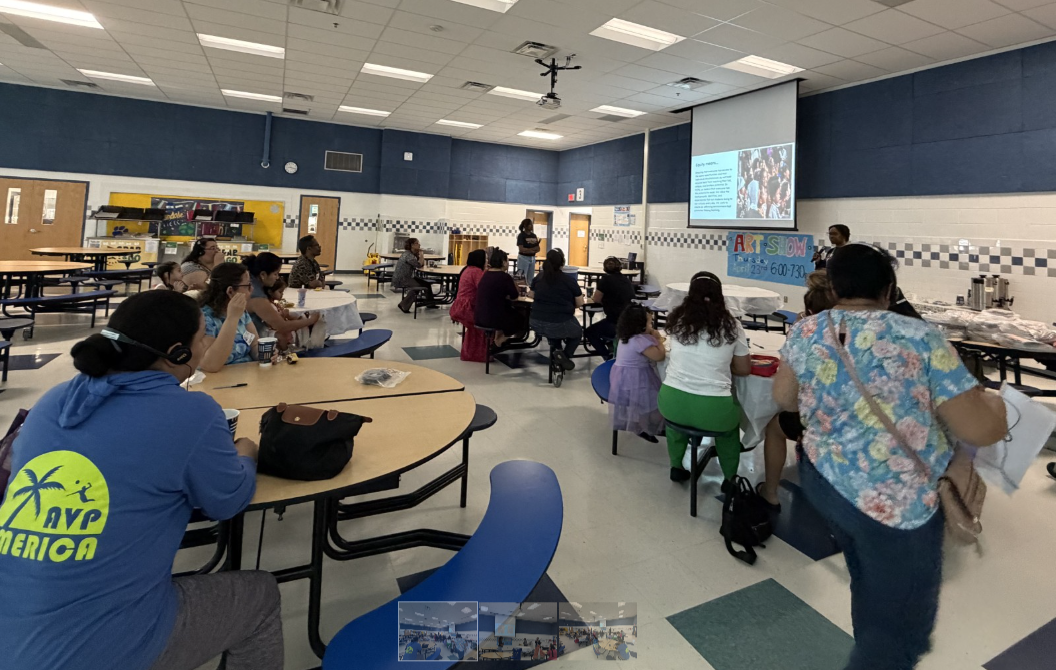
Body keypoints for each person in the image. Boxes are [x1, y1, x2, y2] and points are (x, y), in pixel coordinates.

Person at [0, 290, 281, 670]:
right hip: (100, 647)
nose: (205, 345)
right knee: (260, 595)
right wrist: (246, 452)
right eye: (201, 338)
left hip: (11, 634)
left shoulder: (52, 401)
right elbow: (227, 500)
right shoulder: (190, 413)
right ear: (179, 354)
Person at [773, 243, 1007, 670]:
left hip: (826, 482)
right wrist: (996, 407)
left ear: (835, 288)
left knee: (868, 581)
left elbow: (784, 398)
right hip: (897, 506)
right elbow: (979, 429)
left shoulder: (807, 331)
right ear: (888, 290)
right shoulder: (919, 337)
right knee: (899, 633)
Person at [658, 272, 751, 483]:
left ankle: (675, 466)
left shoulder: (677, 320)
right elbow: (744, 369)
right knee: (728, 432)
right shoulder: (732, 326)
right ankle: (729, 479)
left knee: (675, 426)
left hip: (671, 402)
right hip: (714, 409)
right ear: (720, 296)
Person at [758, 270, 837, 508]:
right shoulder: (858, 329)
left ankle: (770, 491)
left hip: (818, 418)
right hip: (854, 418)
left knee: (775, 427)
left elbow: (785, 397)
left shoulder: (804, 332)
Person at [609, 303, 666, 443]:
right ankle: (646, 426)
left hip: (621, 377)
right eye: (649, 323)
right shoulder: (640, 341)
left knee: (649, 402)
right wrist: (658, 340)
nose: (651, 326)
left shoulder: (625, 336)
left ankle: (643, 424)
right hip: (635, 380)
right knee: (658, 400)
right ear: (640, 324)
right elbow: (660, 356)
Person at [243, 252, 320, 348]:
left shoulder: (251, 283)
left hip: (249, 334)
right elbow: (282, 326)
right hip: (250, 340)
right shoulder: (257, 296)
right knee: (283, 336)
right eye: (275, 274)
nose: (277, 277)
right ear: (263, 274)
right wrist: (311, 320)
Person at [198, 262, 262, 371]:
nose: (251, 290)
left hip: (246, 374)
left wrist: (265, 354)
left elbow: (254, 344)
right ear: (230, 291)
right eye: (247, 286)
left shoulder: (242, 312)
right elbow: (211, 364)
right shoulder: (204, 317)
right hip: (218, 380)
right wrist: (232, 318)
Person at [528, 249, 584, 371]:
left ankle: (557, 350)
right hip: (558, 322)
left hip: (535, 322)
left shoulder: (539, 277)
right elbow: (580, 303)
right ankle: (564, 356)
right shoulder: (569, 281)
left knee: (553, 330)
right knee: (577, 333)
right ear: (562, 263)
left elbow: (531, 295)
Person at [585, 257, 635, 360]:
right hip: (629, 321)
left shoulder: (605, 280)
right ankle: (610, 344)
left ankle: (607, 356)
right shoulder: (626, 280)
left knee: (589, 332)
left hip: (615, 322)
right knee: (603, 326)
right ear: (620, 267)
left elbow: (596, 299)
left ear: (604, 268)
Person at [476, 249, 525, 346]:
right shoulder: (504, 277)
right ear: (503, 262)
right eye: (507, 261)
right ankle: (501, 341)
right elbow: (514, 296)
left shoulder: (486, 274)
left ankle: (498, 339)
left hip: (479, 316)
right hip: (494, 318)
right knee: (521, 318)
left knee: (505, 311)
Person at [450, 249, 488, 362]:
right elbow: (483, 288)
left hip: (460, 306)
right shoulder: (476, 272)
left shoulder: (467, 269)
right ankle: (476, 354)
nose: (486, 261)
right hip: (468, 307)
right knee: (483, 324)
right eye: (485, 259)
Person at [392, 238, 432, 313]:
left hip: (407, 277)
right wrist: (422, 255)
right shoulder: (408, 255)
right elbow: (419, 265)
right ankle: (404, 305)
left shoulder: (411, 254)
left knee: (426, 283)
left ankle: (430, 302)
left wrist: (419, 256)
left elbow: (421, 264)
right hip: (402, 278)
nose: (419, 245)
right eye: (417, 243)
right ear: (412, 245)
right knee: (418, 287)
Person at [516, 218, 541, 283]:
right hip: (523, 258)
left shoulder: (533, 235)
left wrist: (529, 250)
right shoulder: (521, 235)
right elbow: (521, 249)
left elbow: (538, 248)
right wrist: (532, 249)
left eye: (532, 224)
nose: (531, 226)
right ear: (525, 226)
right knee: (522, 277)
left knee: (531, 277)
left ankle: (529, 289)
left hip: (532, 258)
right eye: (530, 224)